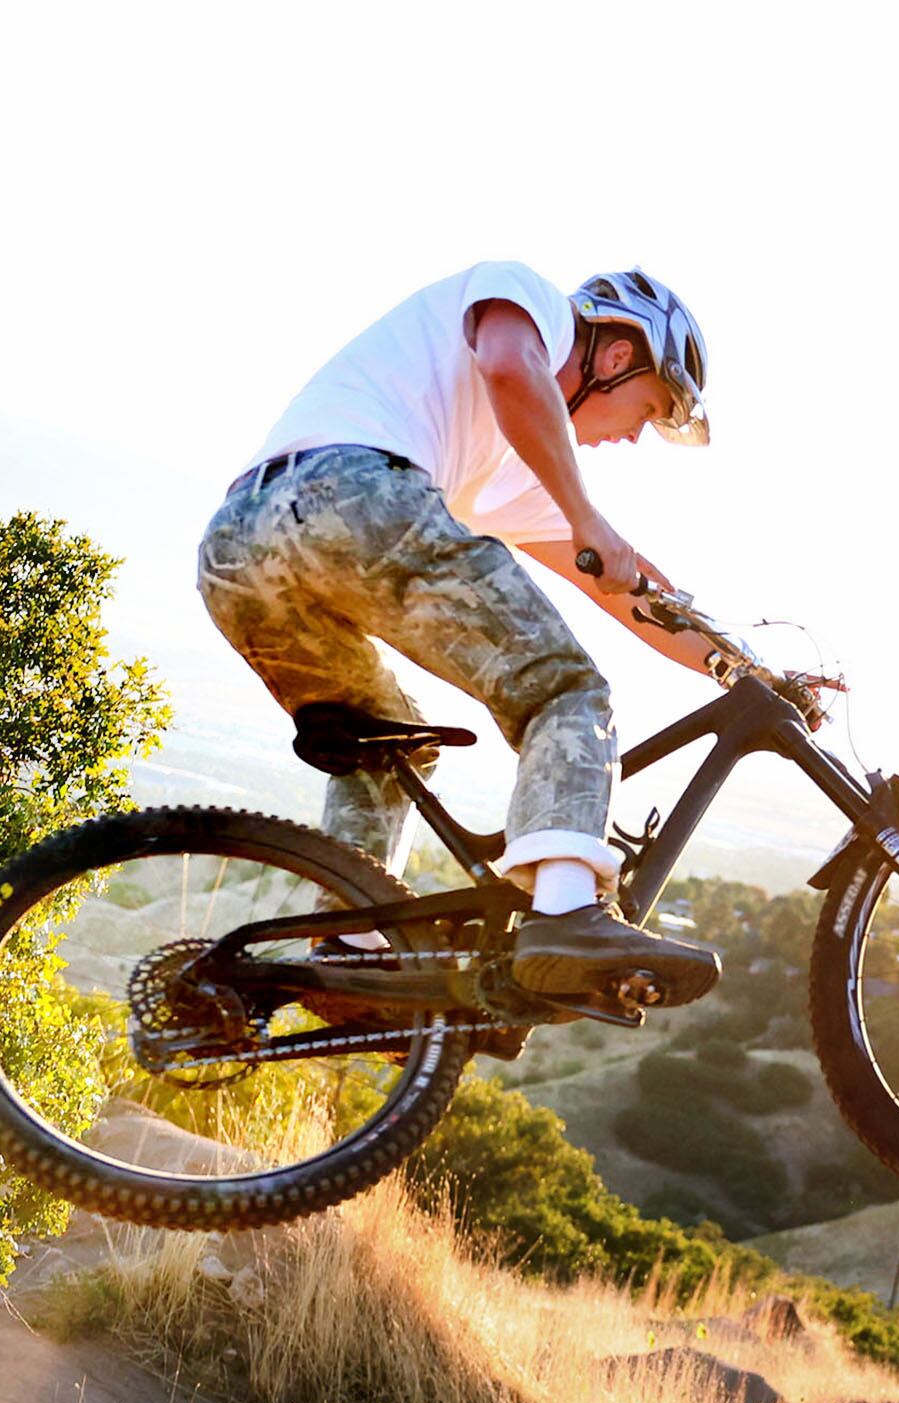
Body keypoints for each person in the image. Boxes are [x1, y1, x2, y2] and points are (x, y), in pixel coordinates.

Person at [196, 263, 725, 1001]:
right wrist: (585, 515)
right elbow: (510, 366)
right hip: (351, 493)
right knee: (566, 690)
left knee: (389, 748)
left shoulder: (510, 470)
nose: (636, 436)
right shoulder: (529, 299)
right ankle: (566, 913)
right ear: (616, 356)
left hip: (236, 551)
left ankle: (348, 952)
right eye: (651, 408)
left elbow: (629, 591)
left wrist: (738, 666)